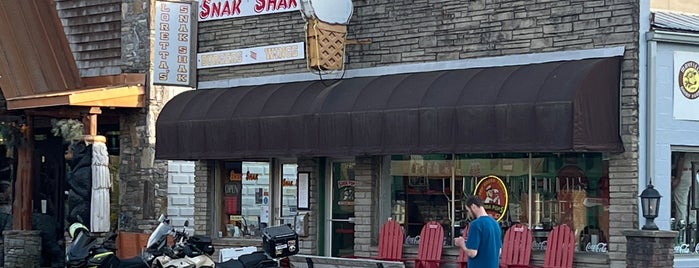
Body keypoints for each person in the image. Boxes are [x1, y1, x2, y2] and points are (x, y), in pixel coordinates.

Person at [455, 195, 502, 268]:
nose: (469, 214)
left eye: (468, 210)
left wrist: (462, 244)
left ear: (473, 206)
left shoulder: (476, 224)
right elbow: (499, 251)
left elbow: (472, 252)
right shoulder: (495, 223)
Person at [673, 152, 699, 225]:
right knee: (693, 204)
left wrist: (678, 178)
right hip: (696, 173)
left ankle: (681, 228)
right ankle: (692, 227)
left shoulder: (684, 150)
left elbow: (681, 159)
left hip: (685, 172)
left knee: (681, 203)